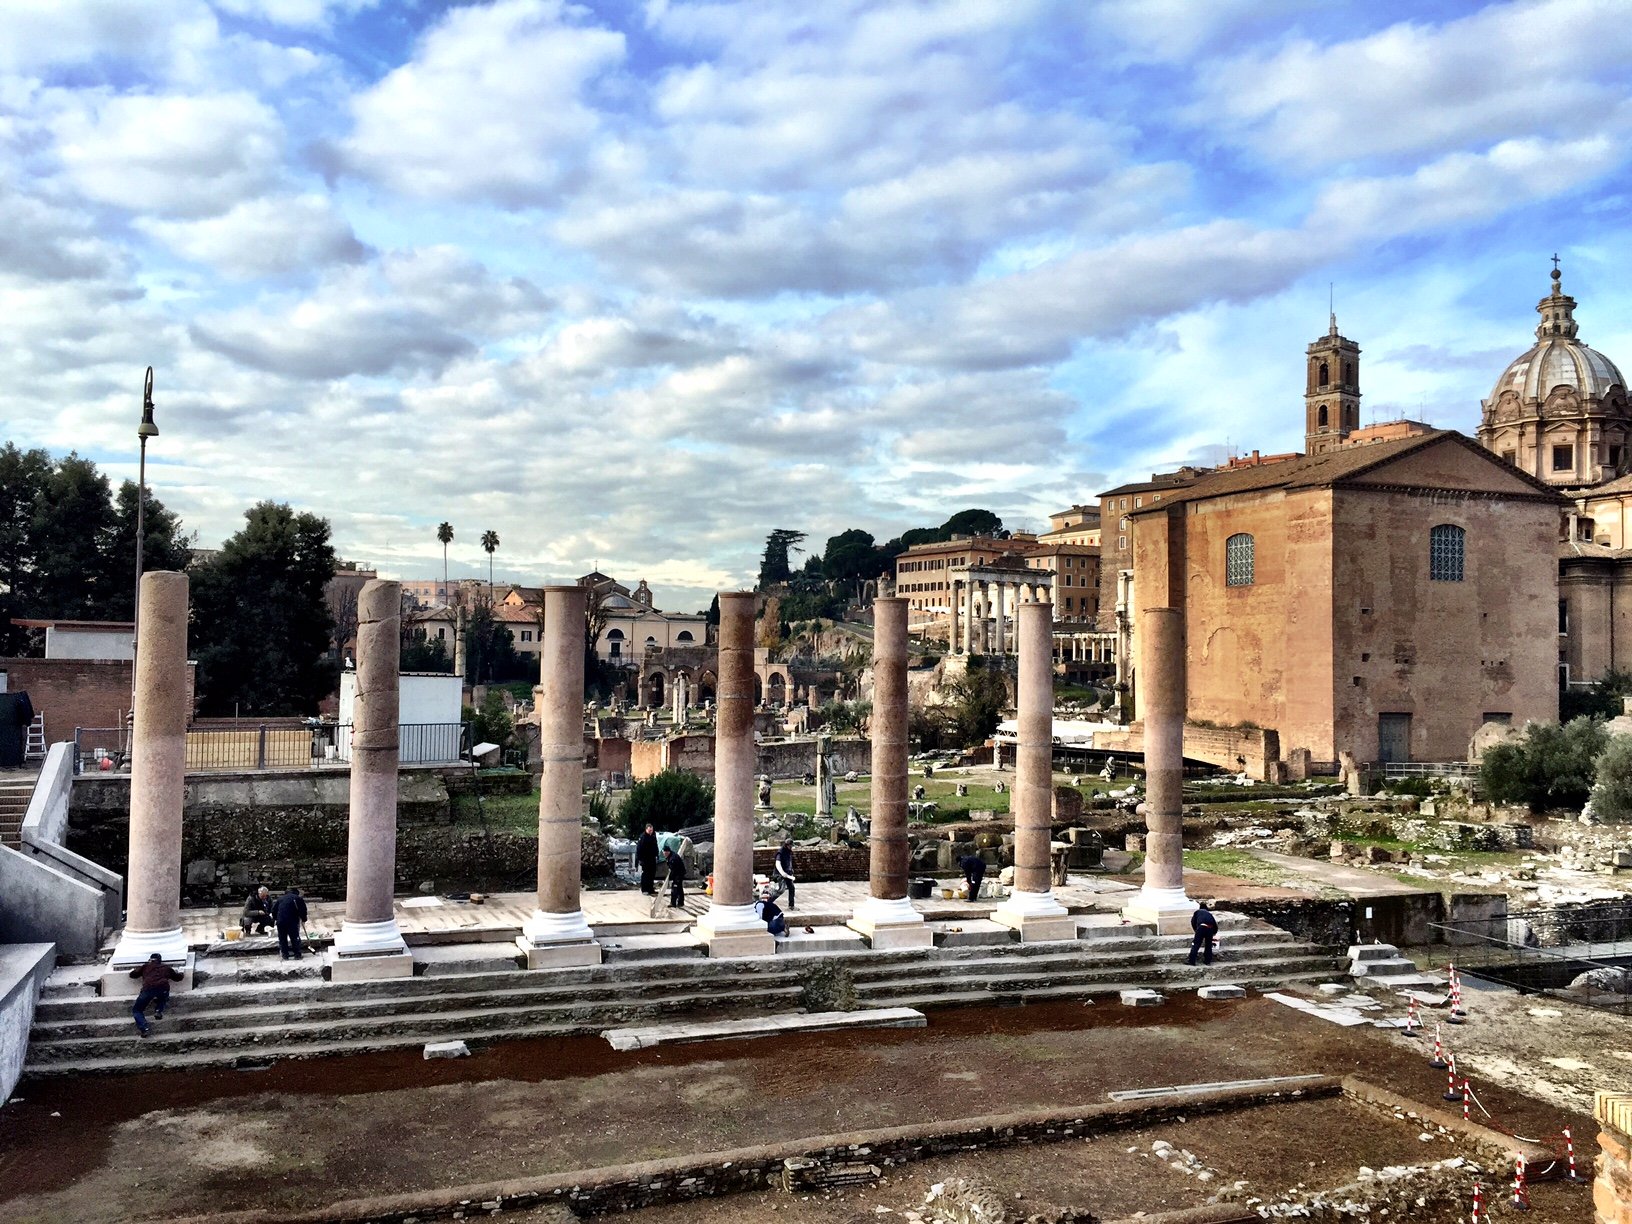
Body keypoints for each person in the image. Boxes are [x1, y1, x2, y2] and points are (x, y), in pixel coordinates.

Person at [129, 953, 183, 1038]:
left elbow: (132, 975)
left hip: (148, 990)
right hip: (163, 988)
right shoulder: (166, 968)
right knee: (163, 996)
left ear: (150, 960)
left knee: (137, 1010)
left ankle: (144, 1028)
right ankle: (158, 1011)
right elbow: (177, 978)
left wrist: (136, 970)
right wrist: (181, 973)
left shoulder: (145, 967)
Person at [273, 885, 308, 960]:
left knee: (282, 938)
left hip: (281, 921)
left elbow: (274, 910)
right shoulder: (298, 898)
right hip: (292, 921)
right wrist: (304, 919)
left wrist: (276, 919)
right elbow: (303, 910)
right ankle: (297, 954)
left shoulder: (280, 899)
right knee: (294, 937)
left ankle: (285, 954)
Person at [1187, 900, 1219, 966]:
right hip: (1210, 928)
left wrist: (1196, 930)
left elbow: (1193, 922)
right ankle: (1207, 961)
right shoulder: (1209, 914)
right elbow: (1215, 925)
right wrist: (1214, 933)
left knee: (1196, 944)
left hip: (1201, 927)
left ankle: (1192, 961)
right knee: (1208, 945)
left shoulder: (1197, 912)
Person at [635, 823, 659, 896]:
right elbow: (639, 849)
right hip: (645, 859)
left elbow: (655, 846)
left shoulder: (653, 836)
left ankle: (650, 889)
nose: (651, 832)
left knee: (652, 874)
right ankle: (644, 889)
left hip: (652, 858)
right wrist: (640, 859)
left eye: (651, 830)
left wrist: (657, 854)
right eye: (649, 830)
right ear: (646, 830)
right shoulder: (643, 837)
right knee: (646, 874)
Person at [774, 836, 797, 909]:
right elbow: (777, 863)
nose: (791, 847)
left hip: (788, 874)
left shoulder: (789, 852)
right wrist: (782, 873)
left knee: (791, 888)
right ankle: (769, 901)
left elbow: (789, 862)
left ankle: (791, 906)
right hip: (780, 874)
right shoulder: (781, 852)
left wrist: (791, 870)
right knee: (781, 889)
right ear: (787, 845)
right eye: (790, 846)